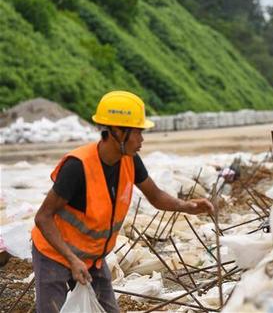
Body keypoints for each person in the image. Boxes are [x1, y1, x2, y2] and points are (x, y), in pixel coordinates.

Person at [31, 90, 214, 313]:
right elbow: (43, 217)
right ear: (117, 131)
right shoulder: (78, 167)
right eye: (138, 132)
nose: (142, 139)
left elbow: (155, 196)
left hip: (92, 259)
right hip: (54, 255)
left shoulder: (130, 161)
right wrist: (71, 259)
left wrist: (187, 207)